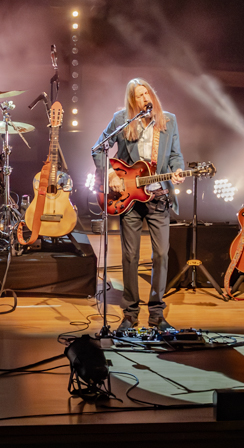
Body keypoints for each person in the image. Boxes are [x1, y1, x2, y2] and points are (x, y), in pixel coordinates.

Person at [92, 78, 185, 330]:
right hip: (129, 199)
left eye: (147, 93)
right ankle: (130, 314)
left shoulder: (169, 120)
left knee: (161, 254)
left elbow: (175, 155)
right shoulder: (122, 119)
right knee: (130, 256)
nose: (145, 98)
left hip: (158, 197)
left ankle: (156, 313)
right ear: (132, 101)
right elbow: (98, 148)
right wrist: (110, 175)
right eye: (139, 95)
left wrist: (177, 170)